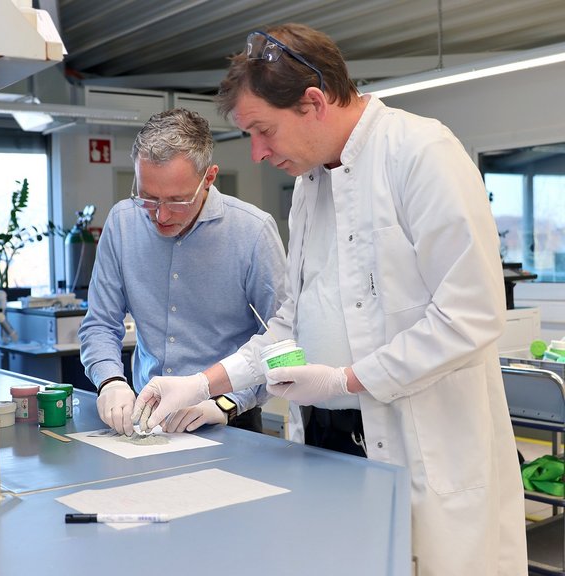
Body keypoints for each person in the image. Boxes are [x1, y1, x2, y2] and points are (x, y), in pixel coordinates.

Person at [131, 24, 527, 575]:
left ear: (313, 102)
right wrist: (206, 383)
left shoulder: (421, 154)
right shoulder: (313, 185)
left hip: (419, 451)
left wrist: (346, 380)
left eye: (263, 131)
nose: (259, 153)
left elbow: (471, 317)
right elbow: (291, 324)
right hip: (326, 442)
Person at [79, 107, 287, 437]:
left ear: (209, 177)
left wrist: (227, 403)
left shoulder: (253, 232)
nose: (160, 215)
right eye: (148, 198)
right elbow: (100, 322)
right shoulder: (122, 223)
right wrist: (110, 380)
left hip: (227, 418)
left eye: (177, 200)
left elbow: (282, 343)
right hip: (144, 418)